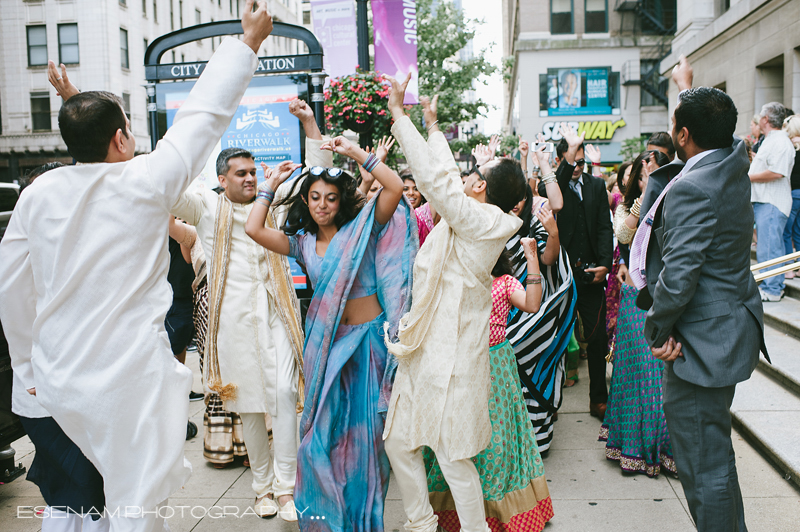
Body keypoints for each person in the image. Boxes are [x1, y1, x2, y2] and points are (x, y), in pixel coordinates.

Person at [0, 4, 276, 530]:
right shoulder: (147, 183)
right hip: (129, 383)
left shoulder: (39, 196)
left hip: (57, 379)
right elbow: (203, 116)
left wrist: (27, 366)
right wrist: (247, 42)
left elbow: (11, 287)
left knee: (71, 503)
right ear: (123, 138)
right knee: (135, 505)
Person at [244, 108, 414, 530]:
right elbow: (253, 229)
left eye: (330, 198)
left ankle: (362, 518)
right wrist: (269, 186)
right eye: (315, 198)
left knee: (370, 444)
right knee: (318, 439)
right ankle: (329, 516)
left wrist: (355, 151)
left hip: (371, 347)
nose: (322, 205)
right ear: (306, 200)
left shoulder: (363, 227)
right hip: (332, 351)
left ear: (342, 202)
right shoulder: (300, 243)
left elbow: (392, 187)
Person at [382, 77, 527, 532]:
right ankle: (422, 523)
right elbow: (446, 179)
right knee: (399, 443)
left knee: (451, 456)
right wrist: (431, 124)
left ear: (482, 187)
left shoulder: (483, 222)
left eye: (475, 175)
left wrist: (398, 115)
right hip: (426, 350)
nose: (467, 177)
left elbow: (440, 185)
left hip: (453, 359)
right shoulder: (474, 214)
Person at [631, 56, 767, 532]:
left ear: (684, 136)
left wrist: (658, 329)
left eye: (675, 130)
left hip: (697, 344)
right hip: (725, 328)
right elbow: (713, 120)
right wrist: (686, 88)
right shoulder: (732, 161)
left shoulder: (695, 187)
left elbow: (680, 274)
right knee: (717, 461)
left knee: (703, 471)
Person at [170, 142, 306, 521]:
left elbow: (319, 176)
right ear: (221, 179)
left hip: (277, 310)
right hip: (233, 320)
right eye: (241, 173)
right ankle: (262, 489)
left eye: (252, 172)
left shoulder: (273, 203)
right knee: (248, 405)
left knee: (282, 393)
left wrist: (309, 129)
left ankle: (286, 489)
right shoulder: (206, 206)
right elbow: (169, 195)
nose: (249, 178)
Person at [425, 239, 553, 531]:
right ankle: (462, 512)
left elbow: (532, 304)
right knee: (458, 438)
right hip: (458, 366)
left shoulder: (505, 282)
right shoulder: (453, 277)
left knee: (495, 439)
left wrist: (532, 256)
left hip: (495, 367)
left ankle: (496, 514)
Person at [8, 163, 109, 532]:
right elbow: (15, 310)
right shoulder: (22, 250)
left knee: (90, 487)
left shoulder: (86, 244)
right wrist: (28, 369)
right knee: (77, 489)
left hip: (90, 389)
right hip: (45, 390)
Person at [600, 152, 676, 478]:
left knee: (657, 377)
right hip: (634, 299)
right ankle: (631, 448)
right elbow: (623, 236)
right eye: (643, 174)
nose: (649, 177)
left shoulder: (675, 203)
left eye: (655, 173)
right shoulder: (625, 209)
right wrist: (645, 197)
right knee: (633, 373)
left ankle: (660, 449)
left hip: (665, 298)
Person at [501, 145, 576, 451]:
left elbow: (548, 258)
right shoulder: (490, 215)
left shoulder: (534, 214)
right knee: (508, 368)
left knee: (534, 362)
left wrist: (543, 161)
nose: (517, 202)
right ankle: (510, 441)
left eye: (521, 196)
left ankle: (536, 440)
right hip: (503, 306)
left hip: (536, 304)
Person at [538, 124, 614, 421]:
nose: (578, 168)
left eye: (582, 162)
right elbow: (549, 190)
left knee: (596, 339)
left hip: (592, 274)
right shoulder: (552, 184)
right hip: (559, 274)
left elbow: (604, 227)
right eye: (573, 161)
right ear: (563, 159)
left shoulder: (596, 186)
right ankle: (548, 404)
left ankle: (598, 400)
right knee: (553, 339)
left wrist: (605, 265)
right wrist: (568, 155)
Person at [168, 217, 249, 467]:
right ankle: (225, 447)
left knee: (241, 378)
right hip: (208, 315)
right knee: (218, 378)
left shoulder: (239, 229)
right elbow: (184, 249)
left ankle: (245, 446)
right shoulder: (194, 232)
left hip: (237, 312)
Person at [749, 101, 796, 301]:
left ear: (766, 119)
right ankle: (771, 285)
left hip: (772, 203)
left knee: (770, 248)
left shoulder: (780, 142)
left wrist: (748, 177)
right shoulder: (773, 140)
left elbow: (777, 172)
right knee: (767, 247)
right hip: (765, 202)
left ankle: (773, 289)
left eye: (760, 115)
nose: (758, 119)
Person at [781, 115, 800, 278]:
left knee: (786, 231)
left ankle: (788, 269)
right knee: (799, 231)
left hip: (793, 192)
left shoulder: (791, 146)